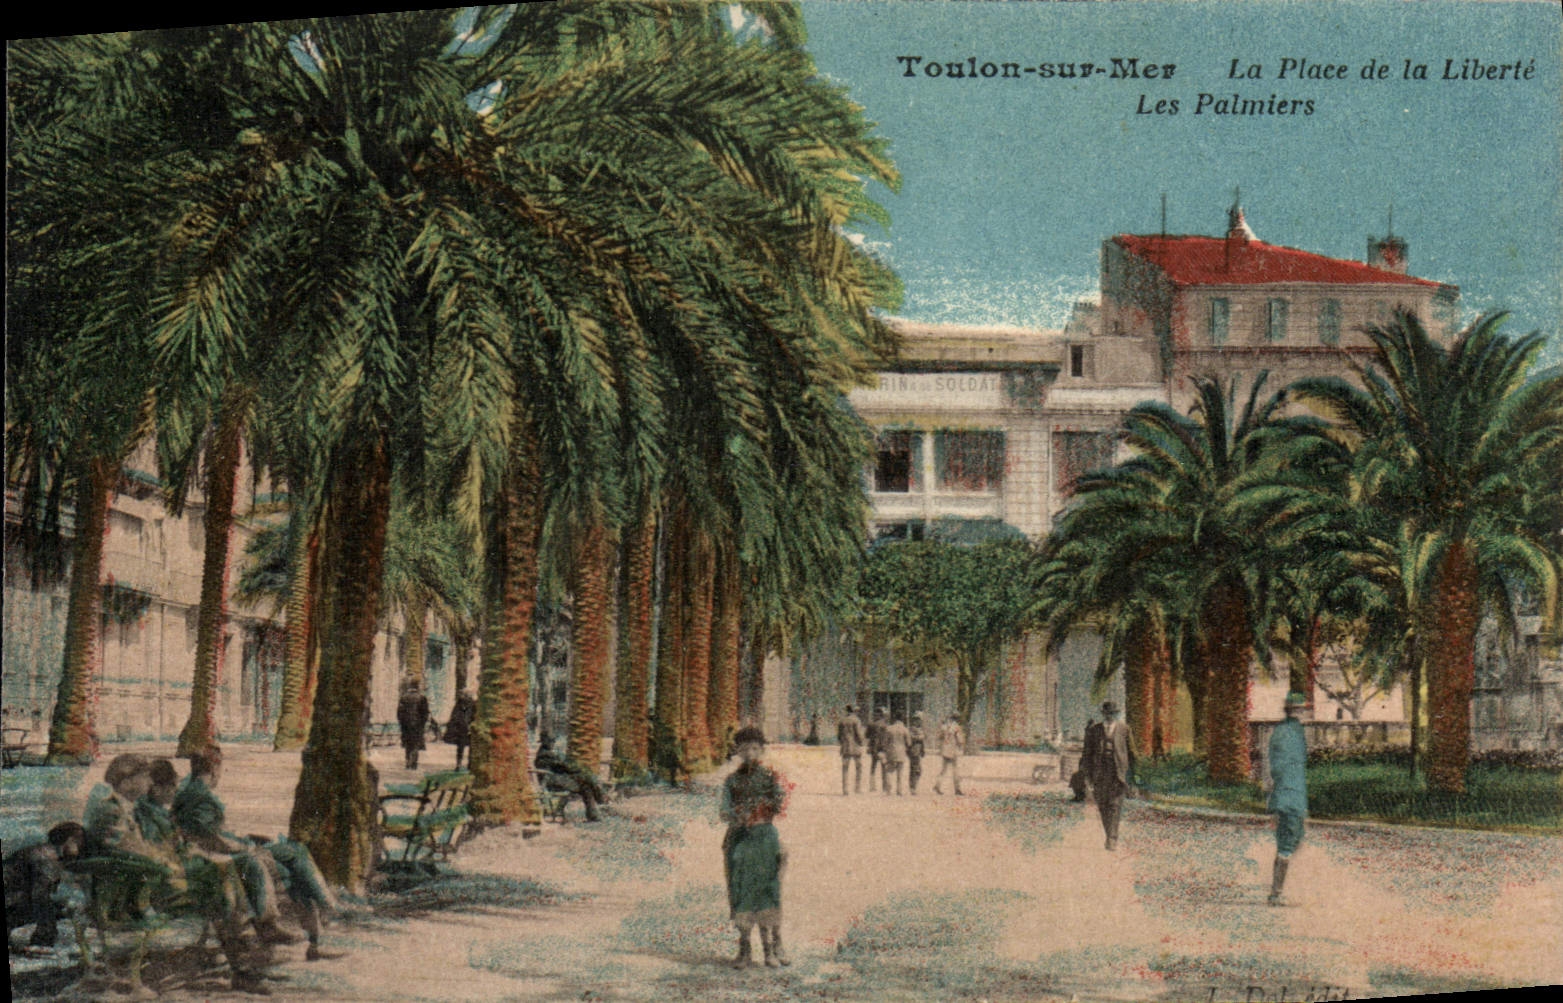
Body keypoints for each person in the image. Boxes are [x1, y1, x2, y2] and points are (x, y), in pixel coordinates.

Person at [87, 753, 273, 993]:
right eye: (144, 777)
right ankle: (245, 968)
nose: (148, 783)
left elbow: (141, 850)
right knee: (223, 887)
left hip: (142, 885)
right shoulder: (111, 811)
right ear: (127, 781)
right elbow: (132, 852)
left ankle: (245, 965)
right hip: (133, 896)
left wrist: (173, 861)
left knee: (223, 884)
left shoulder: (122, 808)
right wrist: (172, 865)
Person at [175, 747, 342, 960]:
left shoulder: (191, 792)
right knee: (296, 862)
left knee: (296, 855)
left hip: (229, 852)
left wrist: (246, 840)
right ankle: (324, 916)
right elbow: (211, 839)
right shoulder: (199, 795)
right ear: (215, 769)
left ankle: (325, 912)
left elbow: (211, 834)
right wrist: (247, 846)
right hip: (228, 858)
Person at [720, 726, 790, 969]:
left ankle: (771, 947)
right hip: (740, 840)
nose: (750, 753)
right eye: (744, 748)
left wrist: (767, 805)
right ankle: (744, 948)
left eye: (754, 748)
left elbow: (780, 801)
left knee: (767, 889)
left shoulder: (769, 776)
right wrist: (736, 815)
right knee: (741, 891)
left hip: (764, 837)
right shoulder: (732, 781)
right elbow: (724, 809)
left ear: (761, 750)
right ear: (737, 751)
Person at [4, 821, 84, 953]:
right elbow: (40, 896)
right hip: (10, 902)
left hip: (11, 899)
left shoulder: (43, 851)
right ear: (70, 840)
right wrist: (46, 934)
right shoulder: (48, 858)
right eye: (79, 842)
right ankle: (41, 941)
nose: (81, 848)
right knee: (59, 906)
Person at [1267, 692, 1310, 906]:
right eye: (1298, 708)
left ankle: (1276, 890)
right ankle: (1276, 894)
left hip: (1292, 795)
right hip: (1289, 795)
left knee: (1294, 839)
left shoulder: (1289, 731)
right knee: (1287, 843)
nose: (1299, 712)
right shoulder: (1289, 732)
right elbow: (1281, 767)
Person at [534, 731, 607, 822]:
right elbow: (563, 766)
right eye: (551, 741)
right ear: (545, 742)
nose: (553, 743)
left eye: (553, 741)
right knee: (585, 782)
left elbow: (561, 766)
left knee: (585, 783)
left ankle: (595, 811)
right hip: (553, 782)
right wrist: (575, 769)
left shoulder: (546, 754)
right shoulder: (545, 755)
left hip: (556, 780)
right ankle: (601, 801)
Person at [1090, 701, 1134, 850]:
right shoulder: (1095, 730)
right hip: (1100, 772)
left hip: (1118, 773)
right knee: (1103, 805)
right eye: (1108, 713)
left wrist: (1133, 775)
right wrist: (1087, 776)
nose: (1110, 716)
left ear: (1116, 714)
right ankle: (1109, 833)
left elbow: (1132, 753)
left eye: (1113, 714)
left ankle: (1112, 838)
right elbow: (1087, 754)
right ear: (1103, 714)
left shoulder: (1124, 729)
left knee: (1115, 805)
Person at [397, 682, 431, 770]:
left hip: (406, 725)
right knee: (416, 743)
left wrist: (402, 723)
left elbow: (399, 713)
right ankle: (413, 762)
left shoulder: (404, 698)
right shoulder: (422, 698)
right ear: (418, 687)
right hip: (418, 725)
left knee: (408, 743)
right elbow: (425, 713)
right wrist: (423, 723)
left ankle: (408, 761)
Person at [932, 713, 965, 795]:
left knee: (943, 770)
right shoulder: (956, 727)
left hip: (945, 749)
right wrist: (961, 745)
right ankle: (957, 788)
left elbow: (939, 737)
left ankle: (937, 785)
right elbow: (960, 740)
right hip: (952, 750)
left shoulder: (944, 726)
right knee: (955, 769)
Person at [444, 690, 477, 769]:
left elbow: (454, 716)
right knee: (471, 747)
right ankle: (470, 763)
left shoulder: (459, 704)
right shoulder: (473, 704)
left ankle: (459, 763)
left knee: (460, 747)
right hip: (469, 727)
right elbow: (474, 715)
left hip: (461, 728)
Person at [836, 704, 864, 795]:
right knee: (859, 767)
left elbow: (839, 736)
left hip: (845, 747)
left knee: (845, 768)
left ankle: (845, 789)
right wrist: (861, 742)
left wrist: (842, 743)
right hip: (855, 747)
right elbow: (859, 734)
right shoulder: (856, 720)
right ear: (854, 711)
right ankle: (857, 788)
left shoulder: (842, 721)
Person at [880, 713, 909, 796]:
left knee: (889, 771)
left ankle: (889, 789)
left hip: (891, 752)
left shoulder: (889, 728)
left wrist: (885, 750)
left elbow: (885, 742)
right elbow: (909, 743)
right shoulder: (905, 729)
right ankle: (899, 791)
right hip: (901, 752)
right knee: (900, 772)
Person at [865, 707, 888, 793]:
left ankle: (872, 786)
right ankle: (885, 786)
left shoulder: (871, 724)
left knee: (873, 767)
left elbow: (866, 736)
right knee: (884, 767)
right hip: (883, 748)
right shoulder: (885, 725)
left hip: (874, 748)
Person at [906, 711, 927, 795]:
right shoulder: (912, 728)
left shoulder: (919, 729)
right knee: (915, 769)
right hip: (914, 751)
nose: (920, 722)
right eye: (919, 720)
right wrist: (920, 737)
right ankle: (912, 787)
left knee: (917, 769)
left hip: (918, 751)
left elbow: (922, 742)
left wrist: (923, 750)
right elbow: (911, 738)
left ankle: (913, 786)